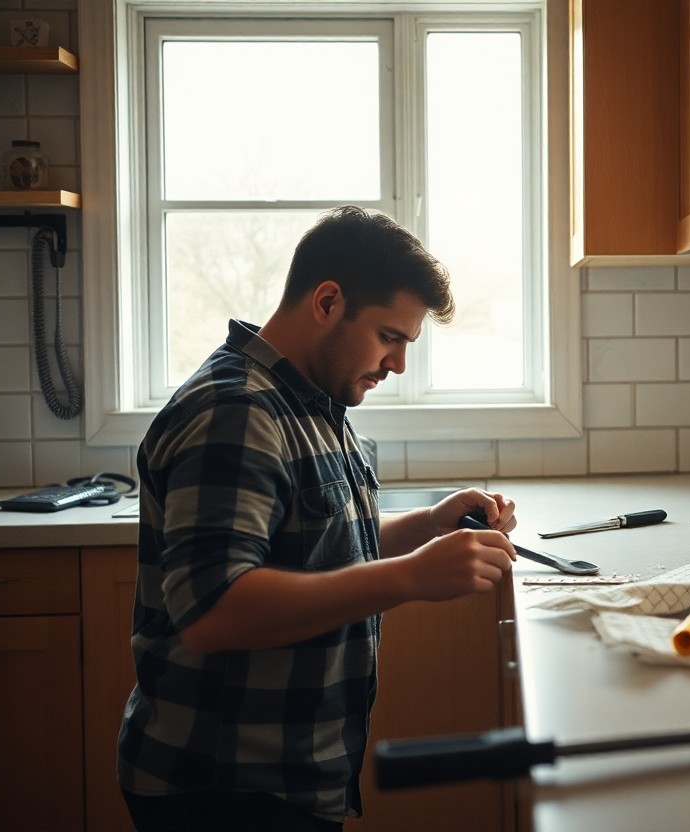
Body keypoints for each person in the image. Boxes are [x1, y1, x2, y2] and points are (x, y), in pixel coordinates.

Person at [117, 206, 518, 831]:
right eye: (390, 337)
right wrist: (410, 577)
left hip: (285, 779)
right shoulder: (237, 411)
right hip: (223, 791)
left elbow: (315, 544)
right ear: (327, 302)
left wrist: (430, 525)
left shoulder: (307, 400)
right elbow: (212, 609)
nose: (398, 365)